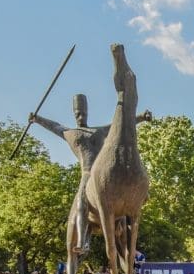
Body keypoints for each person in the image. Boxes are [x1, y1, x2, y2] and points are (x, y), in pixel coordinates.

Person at [29, 97, 152, 254]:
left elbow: (119, 124)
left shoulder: (99, 131)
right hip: (88, 174)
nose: (81, 116)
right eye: (77, 114)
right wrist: (37, 119)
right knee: (81, 201)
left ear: (87, 113)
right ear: (74, 115)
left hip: (104, 173)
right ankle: (82, 241)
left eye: (83, 113)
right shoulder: (71, 133)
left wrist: (141, 117)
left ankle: (136, 202)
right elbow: (55, 126)